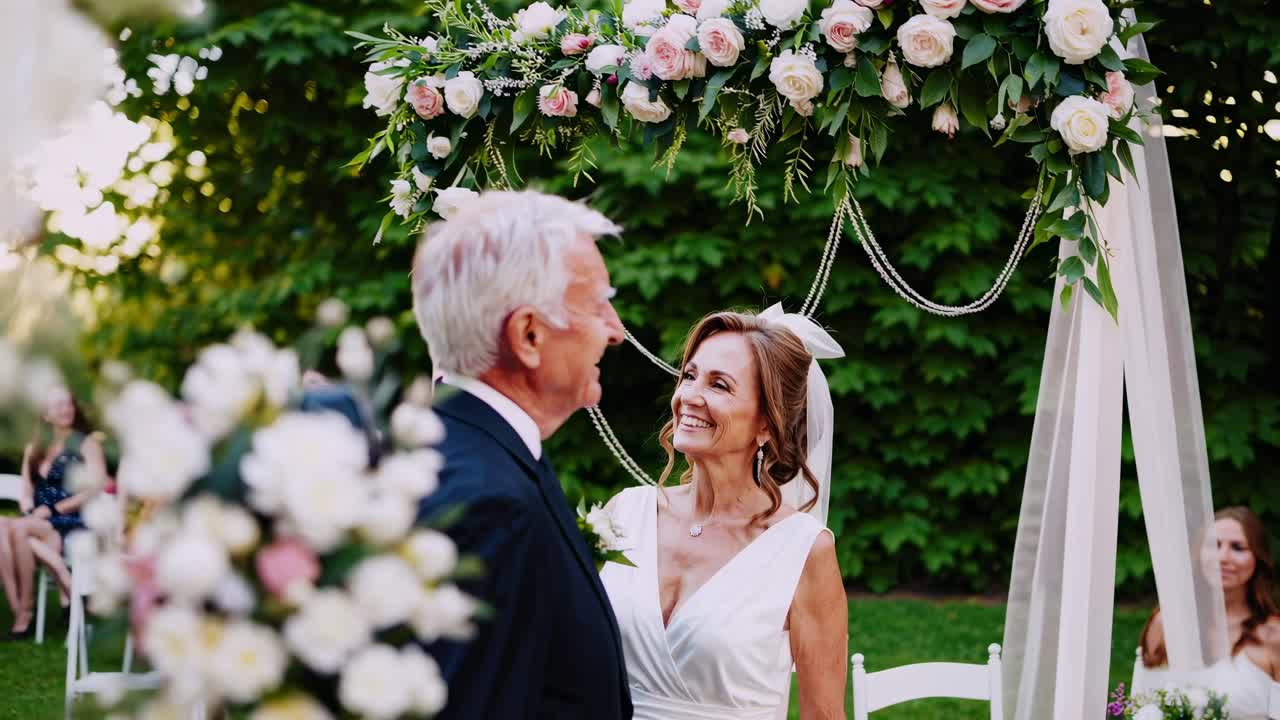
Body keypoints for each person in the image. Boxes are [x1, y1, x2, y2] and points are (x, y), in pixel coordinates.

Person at [411, 190, 632, 719]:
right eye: (599, 304)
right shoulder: (491, 506)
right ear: (529, 334)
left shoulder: (465, 449)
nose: (616, 331)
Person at [600, 309, 849, 720]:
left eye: (719, 384)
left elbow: (824, 714)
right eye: (689, 376)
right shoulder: (624, 513)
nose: (689, 396)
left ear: (767, 424)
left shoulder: (804, 551)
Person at [1138, 506, 1280, 718]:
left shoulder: (1273, 635)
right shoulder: (1166, 624)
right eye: (1214, 545)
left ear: (1258, 559)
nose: (1223, 557)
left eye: (1238, 547)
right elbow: (1141, 704)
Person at [0, 386, 105, 638]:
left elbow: (95, 487)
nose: (65, 409)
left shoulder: (86, 443)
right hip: (38, 519)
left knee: (18, 528)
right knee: (4, 527)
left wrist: (53, 509)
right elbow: (26, 488)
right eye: (58, 405)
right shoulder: (35, 446)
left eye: (68, 404)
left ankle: (25, 613)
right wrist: (27, 506)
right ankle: (20, 606)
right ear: (45, 414)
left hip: (70, 517)